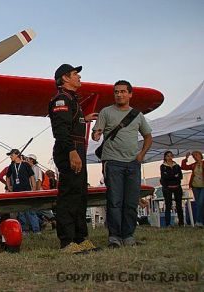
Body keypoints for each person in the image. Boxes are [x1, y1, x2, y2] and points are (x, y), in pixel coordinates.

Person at [92, 80, 152, 248]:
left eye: (123, 91)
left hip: (133, 163)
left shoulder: (138, 115)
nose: (119, 94)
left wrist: (141, 155)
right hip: (112, 162)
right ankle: (114, 237)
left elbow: (148, 136)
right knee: (115, 201)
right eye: (116, 92)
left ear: (130, 94)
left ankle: (128, 236)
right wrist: (96, 135)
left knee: (131, 201)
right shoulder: (106, 112)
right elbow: (96, 132)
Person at [49, 64, 99, 253]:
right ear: (65, 79)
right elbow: (61, 131)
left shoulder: (71, 99)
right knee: (69, 196)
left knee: (80, 195)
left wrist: (83, 119)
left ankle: (80, 239)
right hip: (68, 149)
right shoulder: (61, 99)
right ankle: (67, 242)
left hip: (77, 148)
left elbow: (69, 122)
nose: (78, 76)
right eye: (74, 74)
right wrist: (71, 152)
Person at [5, 151, 39, 234]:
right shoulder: (11, 166)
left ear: (17, 155)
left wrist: (34, 188)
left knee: (31, 210)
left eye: (12, 155)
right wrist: (9, 186)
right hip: (16, 191)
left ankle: (36, 230)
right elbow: (8, 176)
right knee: (21, 212)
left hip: (27, 190)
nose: (10, 157)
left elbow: (31, 176)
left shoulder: (25, 165)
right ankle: (24, 230)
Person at [160, 151, 184, 227]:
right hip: (167, 188)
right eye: (168, 156)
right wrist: (174, 175)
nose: (169, 157)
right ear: (165, 157)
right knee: (168, 206)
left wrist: (170, 175)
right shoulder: (162, 166)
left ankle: (181, 223)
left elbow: (180, 176)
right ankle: (168, 224)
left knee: (179, 205)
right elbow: (164, 177)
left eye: (171, 156)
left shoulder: (177, 166)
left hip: (177, 187)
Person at [181, 151, 204, 227]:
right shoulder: (194, 165)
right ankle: (200, 222)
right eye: (193, 156)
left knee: (201, 203)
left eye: (196, 155)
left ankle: (198, 221)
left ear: (200, 155)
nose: (195, 157)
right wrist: (186, 158)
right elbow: (184, 167)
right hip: (195, 186)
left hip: (203, 186)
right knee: (199, 204)